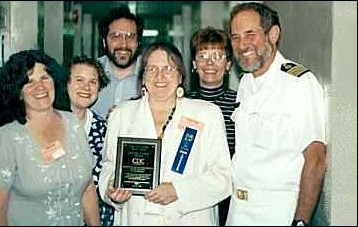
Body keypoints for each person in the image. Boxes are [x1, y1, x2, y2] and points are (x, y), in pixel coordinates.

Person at [98, 41, 232, 226]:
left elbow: (224, 178)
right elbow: (109, 166)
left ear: (180, 76)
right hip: (137, 217)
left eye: (168, 69)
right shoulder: (122, 114)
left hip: (190, 219)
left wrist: (179, 191)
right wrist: (112, 189)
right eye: (152, 69)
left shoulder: (207, 114)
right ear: (143, 77)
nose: (159, 76)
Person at [226, 2, 326, 226]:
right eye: (235, 37)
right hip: (239, 211)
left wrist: (300, 221)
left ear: (273, 34)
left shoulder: (298, 83)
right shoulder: (246, 83)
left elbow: (316, 159)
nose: (242, 45)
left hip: (277, 213)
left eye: (250, 34)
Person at [0, 50, 100, 226]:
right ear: (17, 92)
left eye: (45, 78)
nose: (40, 87)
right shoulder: (6, 139)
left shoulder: (73, 123)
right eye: (29, 82)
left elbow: (88, 188)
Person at [188, 26, 237, 226]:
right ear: (193, 63)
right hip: (191, 192)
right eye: (202, 55)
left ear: (228, 64)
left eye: (217, 55)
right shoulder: (181, 103)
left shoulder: (241, 103)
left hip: (230, 195)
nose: (210, 63)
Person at [66, 55, 115, 226]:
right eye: (79, 80)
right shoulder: (51, 127)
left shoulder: (106, 130)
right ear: (66, 83)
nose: (86, 87)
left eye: (93, 82)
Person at [91, 5, 144, 118]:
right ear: (104, 42)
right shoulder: (90, 72)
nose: (124, 44)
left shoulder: (152, 75)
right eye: (115, 36)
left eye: (130, 36)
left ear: (138, 42)